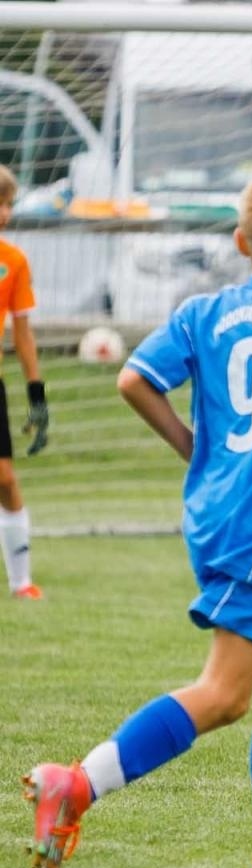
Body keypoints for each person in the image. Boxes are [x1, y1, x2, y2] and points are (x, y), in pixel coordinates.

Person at [24, 170, 252, 868]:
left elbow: (132, 380)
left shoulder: (203, 312)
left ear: (242, 242)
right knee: (222, 696)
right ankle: (75, 783)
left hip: (213, 512)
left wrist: (195, 446)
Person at [0, 163, 48, 599]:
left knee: (5, 478)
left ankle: (21, 582)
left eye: (9, 203)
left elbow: (23, 331)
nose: (6, 212)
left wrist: (36, 392)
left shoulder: (13, 261)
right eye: (2, 203)